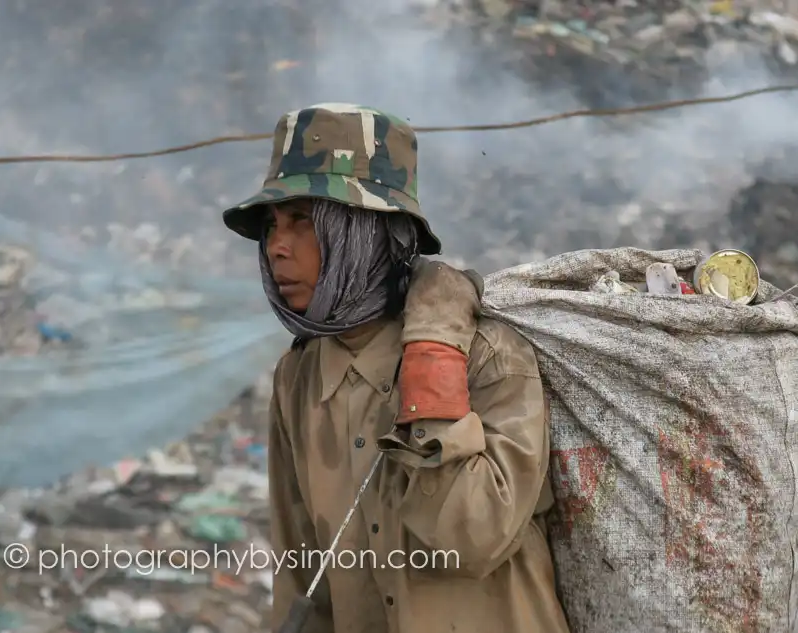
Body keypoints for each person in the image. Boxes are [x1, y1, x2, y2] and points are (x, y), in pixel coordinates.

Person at [222, 103, 570, 633]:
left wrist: (432, 364)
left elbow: (473, 539)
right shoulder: (298, 381)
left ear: (366, 233)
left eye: (303, 222)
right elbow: (303, 577)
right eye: (271, 226)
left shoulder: (487, 356)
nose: (277, 248)